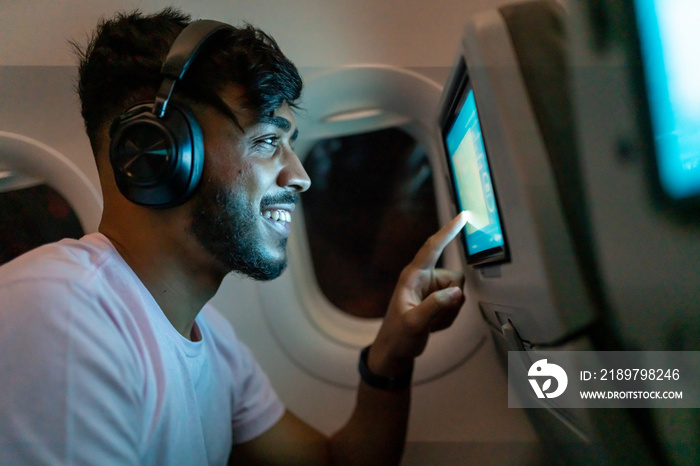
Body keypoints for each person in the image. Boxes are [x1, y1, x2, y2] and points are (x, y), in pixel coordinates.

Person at [0, 8, 468, 465]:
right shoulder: (60, 312)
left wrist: (391, 354)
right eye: (267, 141)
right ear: (157, 154)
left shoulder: (215, 342)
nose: (300, 176)